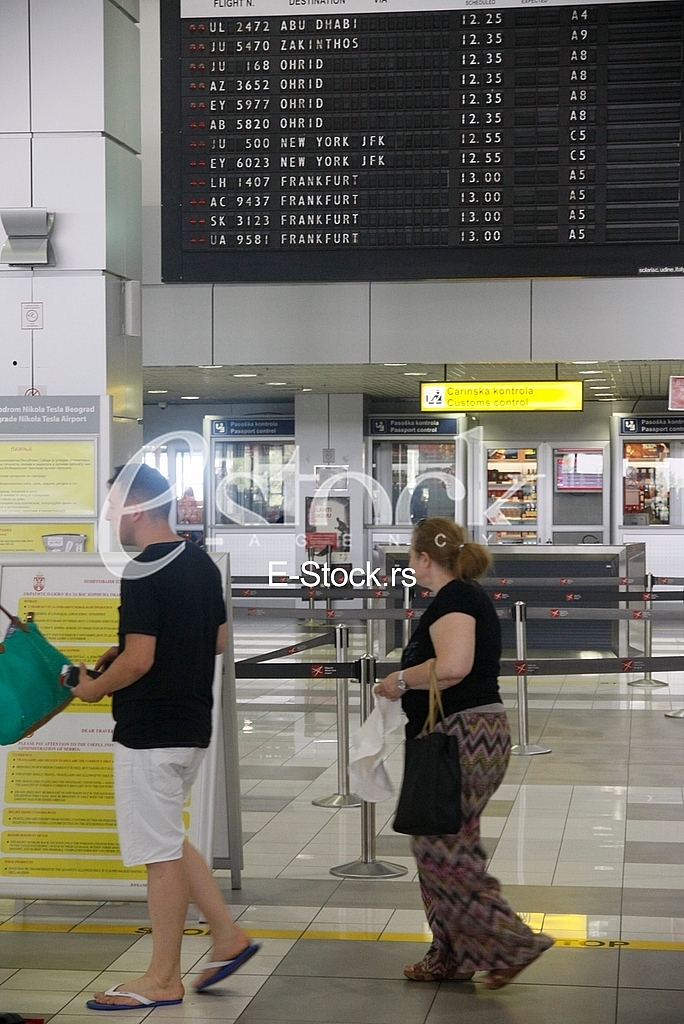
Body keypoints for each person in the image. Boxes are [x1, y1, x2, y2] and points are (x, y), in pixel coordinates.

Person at [71, 464, 259, 1010]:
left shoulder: (142, 569)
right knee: (169, 840)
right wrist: (128, 654)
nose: (109, 517)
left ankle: (162, 978)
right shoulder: (199, 562)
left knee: (157, 854)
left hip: (148, 732)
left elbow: (139, 659)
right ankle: (226, 935)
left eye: (112, 506)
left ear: (137, 508)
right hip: (189, 727)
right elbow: (217, 641)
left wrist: (94, 688)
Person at [374, 517, 553, 989]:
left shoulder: (456, 598)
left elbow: (453, 666)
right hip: (461, 735)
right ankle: (450, 953)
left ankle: (509, 945)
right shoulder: (458, 598)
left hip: (463, 736)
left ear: (423, 558)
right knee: (442, 842)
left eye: (411, 556)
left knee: (441, 846)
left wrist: (399, 680)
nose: (410, 564)